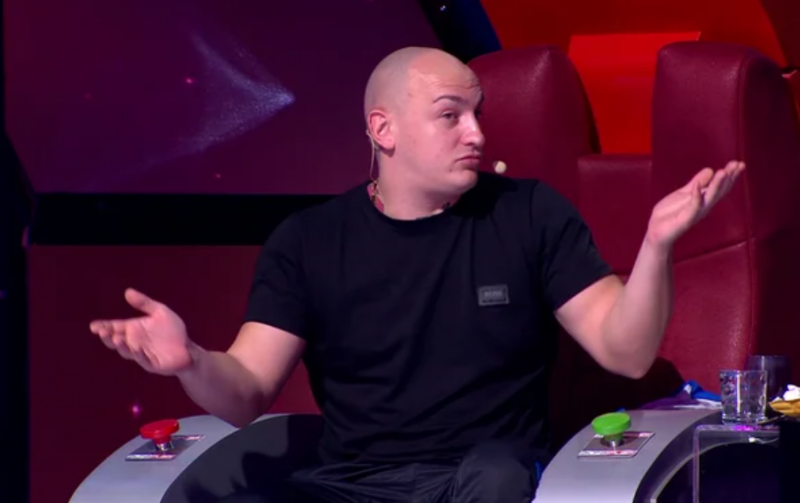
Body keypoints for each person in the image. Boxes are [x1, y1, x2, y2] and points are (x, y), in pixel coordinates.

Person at [89, 47, 744, 502]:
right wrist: (191, 361)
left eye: (478, 114)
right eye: (451, 115)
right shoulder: (309, 240)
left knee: (495, 476)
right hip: (349, 483)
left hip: (485, 476)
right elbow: (246, 391)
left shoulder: (529, 214)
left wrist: (656, 245)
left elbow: (626, 352)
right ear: (384, 129)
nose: (476, 134)